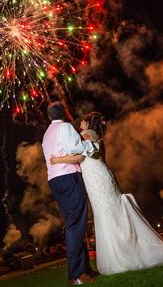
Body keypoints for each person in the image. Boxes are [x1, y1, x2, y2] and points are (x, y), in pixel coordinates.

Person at [50, 112, 163, 275]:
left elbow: (77, 156)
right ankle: (127, 249)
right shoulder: (97, 136)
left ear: (88, 124)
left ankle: (122, 255)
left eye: (84, 120)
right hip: (103, 177)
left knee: (107, 215)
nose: (81, 121)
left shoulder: (85, 135)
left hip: (97, 181)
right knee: (113, 213)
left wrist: (56, 160)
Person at [42, 102, 99, 285]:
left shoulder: (47, 133)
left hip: (55, 180)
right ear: (63, 114)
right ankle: (75, 275)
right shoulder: (65, 127)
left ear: (49, 116)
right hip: (68, 177)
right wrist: (91, 146)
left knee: (74, 224)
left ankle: (84, 269)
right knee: (76, 224)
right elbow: (74, 147)